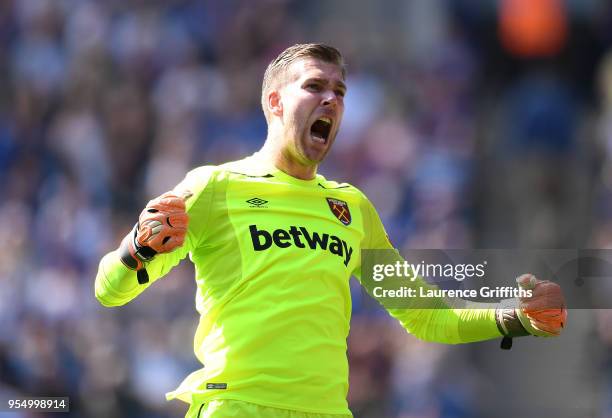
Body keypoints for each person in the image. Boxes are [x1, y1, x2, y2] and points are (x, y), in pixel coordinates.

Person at [95, 43, 566, 418]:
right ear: (276, 102)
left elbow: (426, 316)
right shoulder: (215, 187)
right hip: (236, 407)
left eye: (340, 91)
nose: (331, 99)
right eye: (315, 86)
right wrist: (135, 249)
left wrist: (513, 317)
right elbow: (109, 291)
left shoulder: (351, 207)